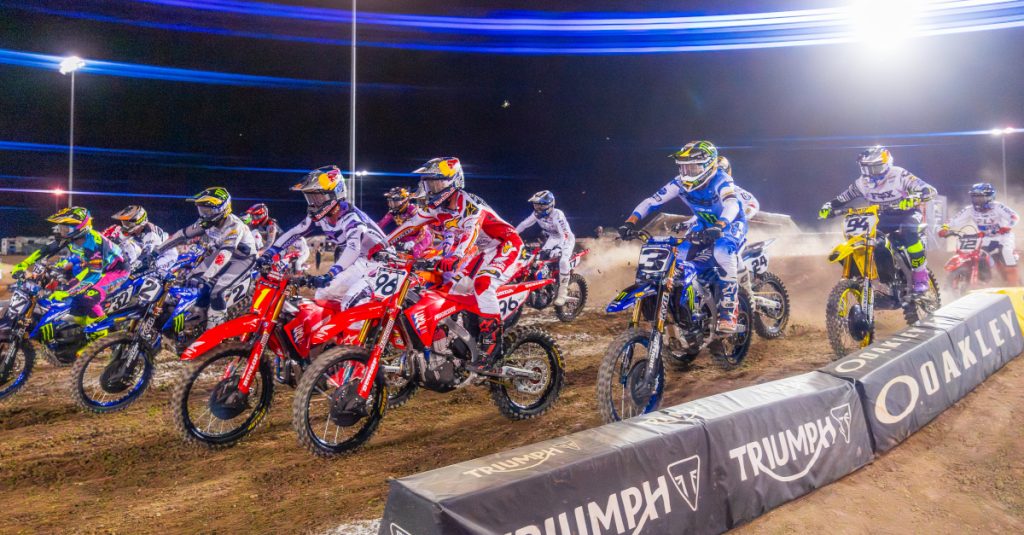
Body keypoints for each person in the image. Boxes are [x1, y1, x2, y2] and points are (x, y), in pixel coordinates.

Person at [389, 157, 523, 370]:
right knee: (449, 290)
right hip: (484, 252)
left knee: (484, 283)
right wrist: (383, 244)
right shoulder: (438, 207)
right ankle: (463, 338)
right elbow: (411, 225)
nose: (432, 188)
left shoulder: (469, 204)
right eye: (429, 183)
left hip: (506, 244)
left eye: (437, 183)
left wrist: (456, 257)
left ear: (454, 181)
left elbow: (471, 232)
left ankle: (492, 343)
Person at [618, 141, 746, 332]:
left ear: (709, 164)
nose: (687, 172)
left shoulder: (721, 179)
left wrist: (720, 225)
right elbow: (652, 201)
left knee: (721, 250)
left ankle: (729, 310)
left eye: (693, 167)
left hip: (731, 223)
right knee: (679, 258)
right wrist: (630, 222)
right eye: (684, 167)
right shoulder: (678, 183)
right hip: (704, 224)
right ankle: (686, 307)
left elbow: (732, 204)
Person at [262, 165, 392, 310]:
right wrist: (269, 254)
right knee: (322, 295)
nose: (313, 204)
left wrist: (330, 273)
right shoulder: (323, 217)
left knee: (350, 302)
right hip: (362, 262)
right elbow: (295, 232)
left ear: (335, 194)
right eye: (311, 198)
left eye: (318, 198)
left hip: (384, 264)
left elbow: (353, 249)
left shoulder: (352, 218)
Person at [819, 145, 937, 293]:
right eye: (866, 168)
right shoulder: (861, 183)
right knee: (867, 238)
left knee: (909, 233)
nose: (870, 173)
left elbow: (929, 190)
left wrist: (915, 197)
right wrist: (829, 206)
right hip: (882, 217)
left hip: (907, 213)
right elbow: (843, 197)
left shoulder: (899, 174)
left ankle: (921, 275)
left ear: (886, 164)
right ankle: (880, 276)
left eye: (874, 168)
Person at [157, 187, 257, 328]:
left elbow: (225, 254)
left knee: (217, 291)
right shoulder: (207, 223)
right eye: (202, 209)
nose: (204, 214)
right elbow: (182, 234)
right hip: (220, 252)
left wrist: (206, 277)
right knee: (191, 279)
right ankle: (196, 315)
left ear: (222, 209)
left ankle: (215, 330)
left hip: (242, 259)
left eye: (208, 210)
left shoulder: (234, 226)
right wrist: (157, 251)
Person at [11, 207, 128, 326]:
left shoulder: (93, 243)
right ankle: (78, 323)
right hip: (95, 267)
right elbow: (46, 250)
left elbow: (94, 275)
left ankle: (100, 330)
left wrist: (68, 293)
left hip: (116, 270)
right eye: (62, 227)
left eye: (66, 228)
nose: (63, 231)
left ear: (81, 227)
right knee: (66, 292)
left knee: (89, 297)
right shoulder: (71, 237)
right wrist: (24, 264)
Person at [939, 182, 1020, 285]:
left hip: (1004, 237)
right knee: (978, 256)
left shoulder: (998, 207)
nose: (977, 200)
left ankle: (1015, 286)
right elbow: (954, 220)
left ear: (990, 197)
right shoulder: (970, 210)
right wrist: (944, 228)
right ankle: (983, 279)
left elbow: (1014, 217)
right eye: (975, 197)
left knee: (1006, 254)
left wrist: (1007, 227)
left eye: (980, 197)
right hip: (985, 238)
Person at [515, 190, 576, 306]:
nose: (537, 208)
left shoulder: (558, 214)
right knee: (538, 260)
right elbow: (524, 224)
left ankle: (562, 294)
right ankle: (544, 286)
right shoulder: (536, 214)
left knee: (563, 261)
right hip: (552, 238)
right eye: (536, 205)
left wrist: (559, 248)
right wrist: (512, 234)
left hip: (566, 239)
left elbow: (565, 234)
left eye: (540, 205)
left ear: (549, 204)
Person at [111, 205, 176, 269]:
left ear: (139, 222)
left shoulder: (149, 234)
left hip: (166, 255)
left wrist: (132, 267)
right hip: (153, 251)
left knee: (132, 249)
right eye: (124, 223)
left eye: (127, 223)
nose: (125, 226)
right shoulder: (139, 229)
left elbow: (144, 255)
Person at [378, 186, 433, 258]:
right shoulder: (392, 212)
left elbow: (424, 228)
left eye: (395, 201)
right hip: (407, 235)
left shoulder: (412, 209)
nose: (392, 204)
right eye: (391, 201)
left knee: (415, 251)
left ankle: (417, 263)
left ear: (404, 200)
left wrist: (413, 242)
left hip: (422, 236)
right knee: (390, 246)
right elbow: (380, 224)